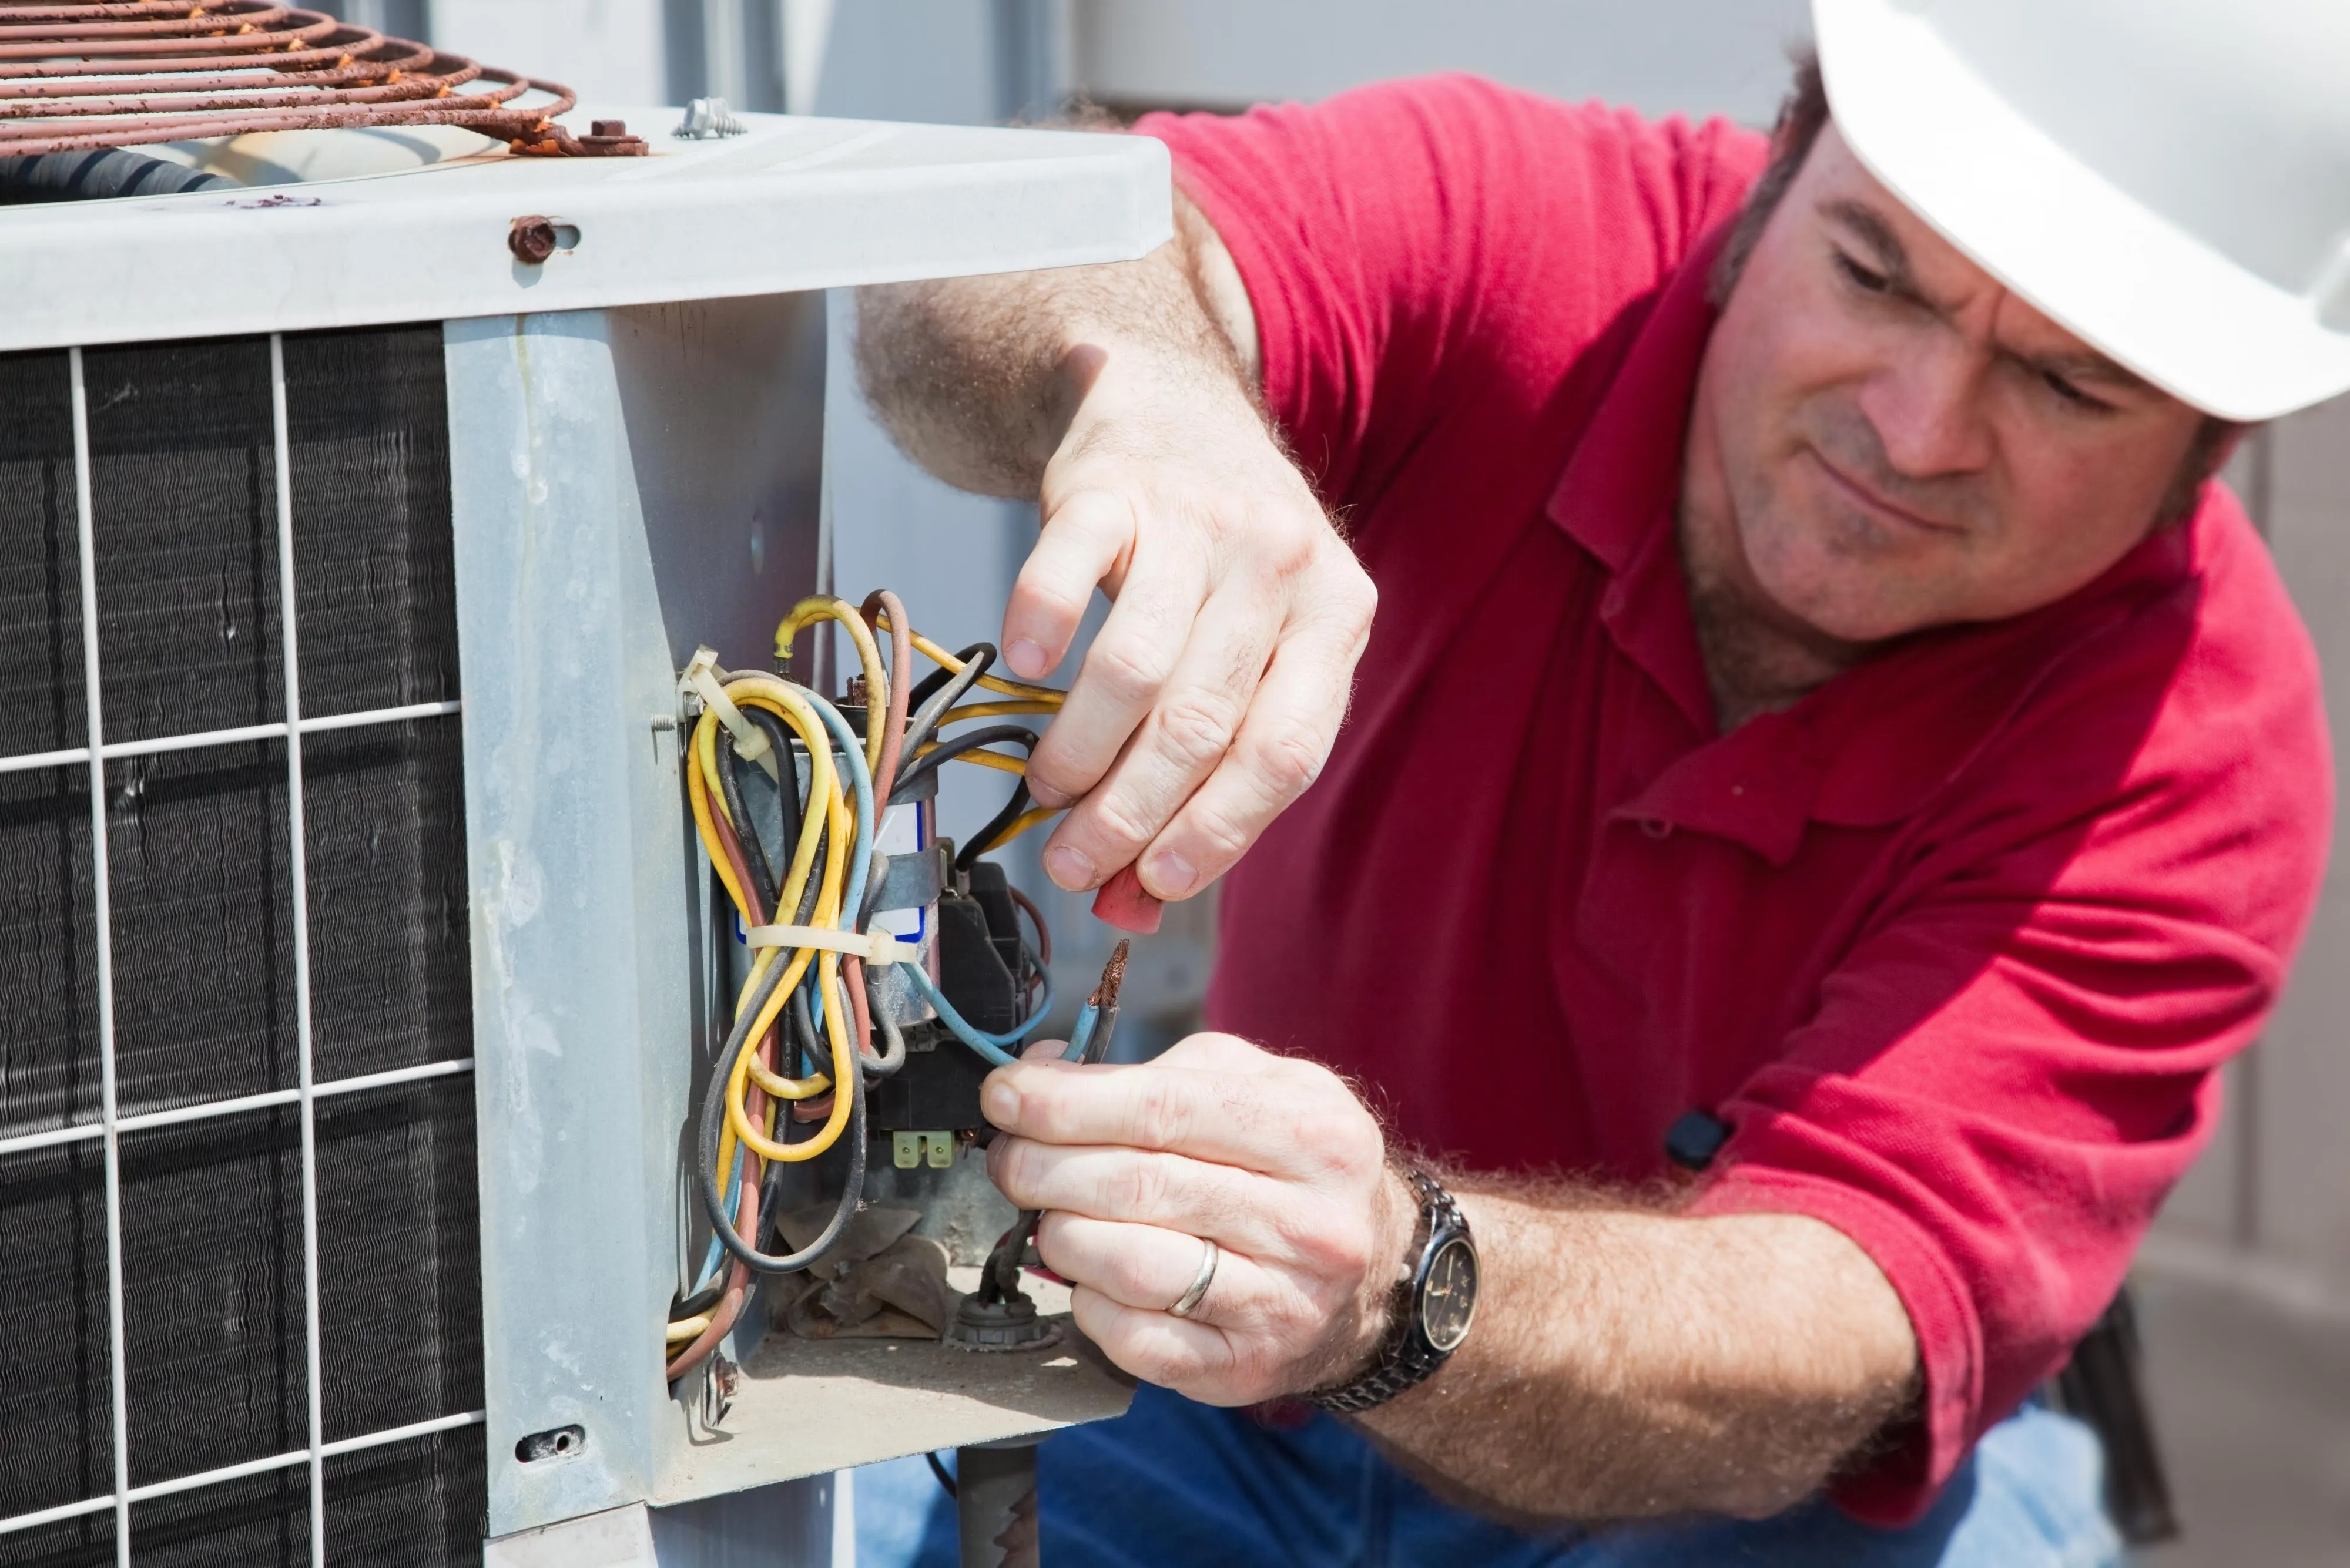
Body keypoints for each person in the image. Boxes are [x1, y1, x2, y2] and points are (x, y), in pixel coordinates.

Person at [850, 3, 2342, 1562]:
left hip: (1710, 1493)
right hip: (1200, 1402)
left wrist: (1383, 1285)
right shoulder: (1534, 236)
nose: (1909, 428)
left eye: (2067, 386)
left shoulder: (2188, 747)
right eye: (1869, 272)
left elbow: (1832, 1329)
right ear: (1777, 169)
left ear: (2210, 443)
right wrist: (1151, 388)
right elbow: (1000, 250)